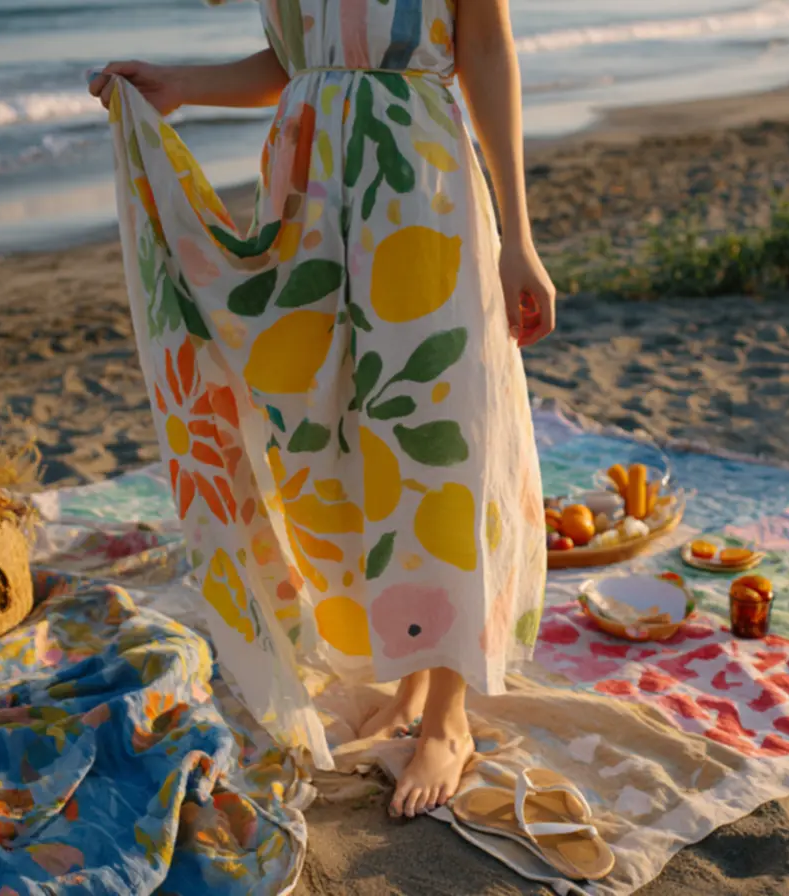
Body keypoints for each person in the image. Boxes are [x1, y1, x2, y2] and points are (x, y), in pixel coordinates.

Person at [88, 0, 553, 819]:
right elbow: (297, 58)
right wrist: (179, 86)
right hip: (307, 188)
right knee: (344, 428)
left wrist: (520, 234)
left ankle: (448, 713)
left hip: (418, 181)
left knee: (438, 432)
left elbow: (485, 45)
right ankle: (411, 669)